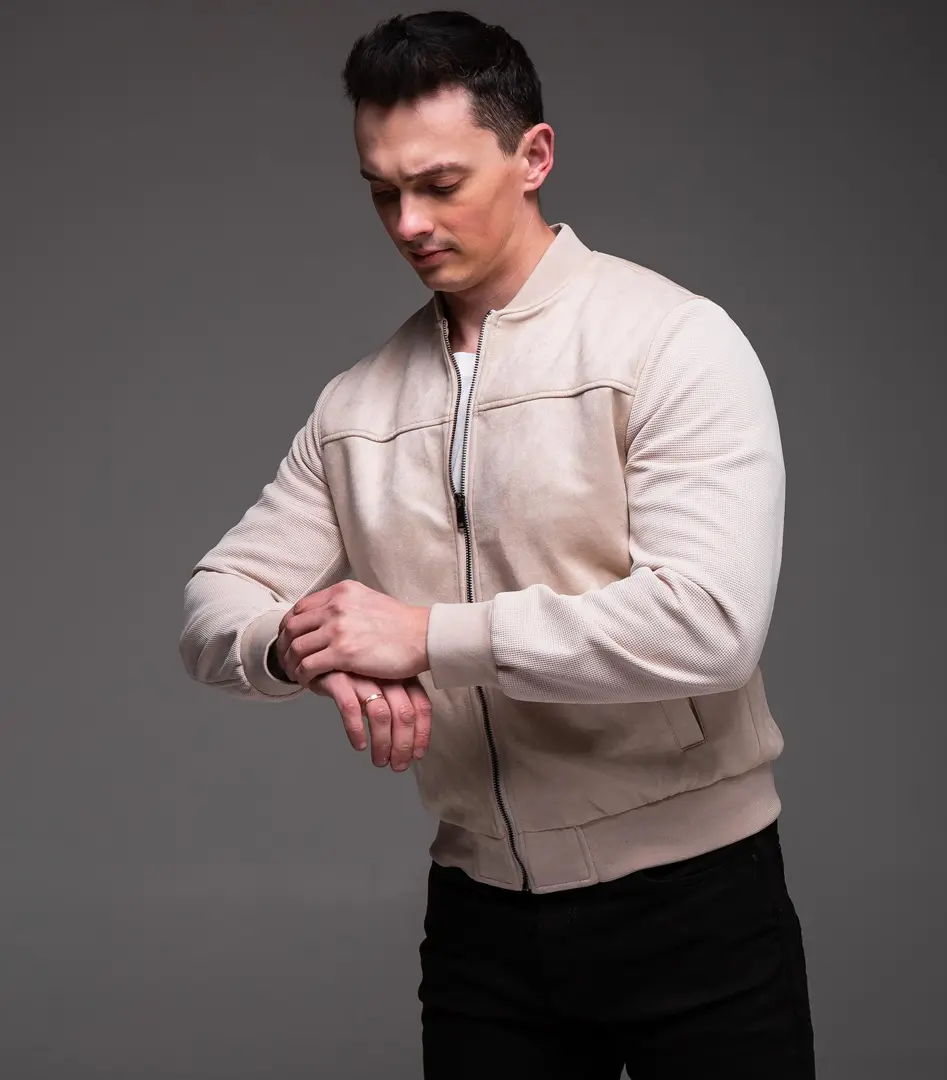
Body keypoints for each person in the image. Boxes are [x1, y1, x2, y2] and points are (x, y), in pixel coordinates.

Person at [179, 10, 815, 1077]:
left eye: (440, 184)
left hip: (698, 900)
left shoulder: (672, 343)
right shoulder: (356, 408)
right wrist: (302, 645)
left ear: (534, 157)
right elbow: (214, 600)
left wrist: (425, 636)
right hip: (481, 922)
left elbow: (710, 626)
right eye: (382, 191)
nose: (409, 222)